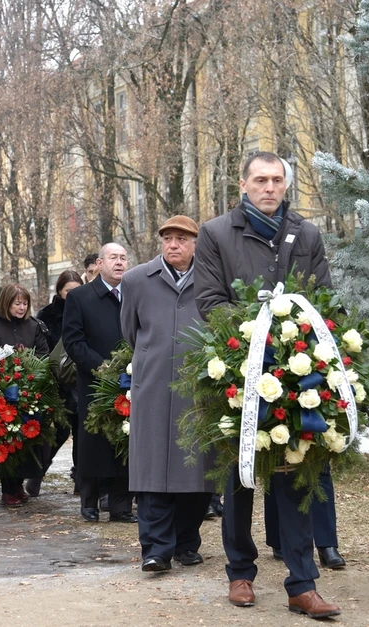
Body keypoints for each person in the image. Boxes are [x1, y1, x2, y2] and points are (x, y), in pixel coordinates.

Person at [193, 151, 341, 619]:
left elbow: (322, 296)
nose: (270, 187)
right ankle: (240, 572)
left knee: (295, 472)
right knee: (239, 477)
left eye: (277, 180)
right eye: (261, 179)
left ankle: (302, 583)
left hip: (295, 369)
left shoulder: (306, 232)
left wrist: (293, 339)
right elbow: (209, 299)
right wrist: (254, 336)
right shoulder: (216, 233)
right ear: (243, 183)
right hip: (236, 367)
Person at [121, 215, 216, 572]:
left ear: (195, 245)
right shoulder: (135, 281)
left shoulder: (212, 280)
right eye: (167, 239)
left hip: (199, 391)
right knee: (152, 472)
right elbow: (130, 332)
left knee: (196, 471)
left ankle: (186, 543)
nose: (173, 245)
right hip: (154, 387)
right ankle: (156, 549)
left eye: (181, 239)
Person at [62, 243, 136, 524]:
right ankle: (90, 502)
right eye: (113, 258)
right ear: (99, 262)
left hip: (130, 378)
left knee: (125, 438)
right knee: (93, 443)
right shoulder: (80, 297)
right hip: (94, 381)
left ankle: (121, 506)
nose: (119, 263)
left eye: (123, 258)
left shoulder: (132, 295)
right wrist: (100, 367)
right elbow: (73, 341)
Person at [0, 284, 50, 507]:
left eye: (25, 303)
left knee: (27, 440)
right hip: (0, 391)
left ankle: (18, 484)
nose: (21, 307)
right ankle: (8, 487)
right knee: (4, 438)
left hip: (29, 390)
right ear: (6, 303)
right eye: (17, 303)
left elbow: (44, 354)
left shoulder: (35, 326)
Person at [31, 269, 83, 496]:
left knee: (83, 432)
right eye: (68, 291)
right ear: (59, 291)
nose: (72, 295)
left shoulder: (87, 310)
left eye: (77, 291)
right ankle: (38, 472)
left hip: (82, 378)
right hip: (56, 380)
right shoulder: (47, 315)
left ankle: (82, 480)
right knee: (59, 431)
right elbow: (40, 347)